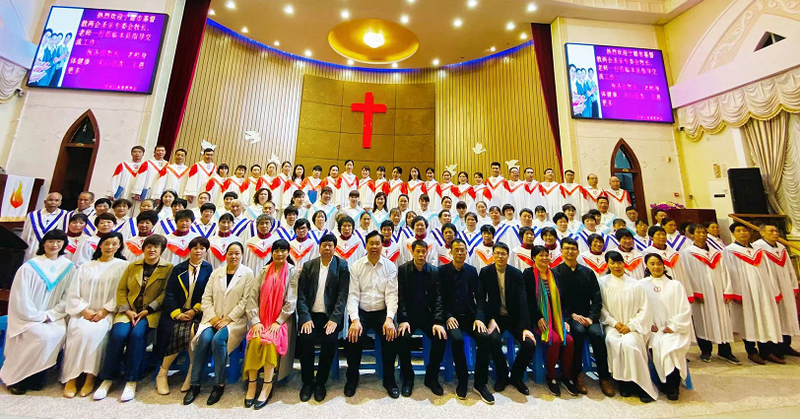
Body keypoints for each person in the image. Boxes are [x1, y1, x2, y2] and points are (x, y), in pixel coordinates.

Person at [93, 234, 172, 402]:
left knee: (137, 336)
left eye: (155, 247)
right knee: (119, 335)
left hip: (150, 313)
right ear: (143, 248)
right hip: (127, 311)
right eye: (148, 246)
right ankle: (107, 378)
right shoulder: (132, 266)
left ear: (161, 250)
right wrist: (127, 310)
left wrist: (148, 310)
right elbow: (121, 290)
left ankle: (131, 379)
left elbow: (165, 293)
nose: (151, 250)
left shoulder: (168, 268)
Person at [0, 229, 75, 394]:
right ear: (43, 243)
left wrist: (51, 314)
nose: (54, 245)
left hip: (53, 316)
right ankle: (16, 379)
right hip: (27, 316)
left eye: (58, 242)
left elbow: (68, 295)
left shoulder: (68, 267)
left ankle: (37, 377)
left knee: (57, 333)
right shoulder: (29, 266)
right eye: (50, 241)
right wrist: (36, 316)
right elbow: (20, 296)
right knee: (37, 335)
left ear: (63, 244)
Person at [184, 242, 255, 406]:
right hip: (212, 319)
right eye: (231, 253)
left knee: (217, 340)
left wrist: (228, 319)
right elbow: (206, 298)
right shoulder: (217, 273)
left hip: (234, 321)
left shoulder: (247, 274)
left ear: (242, 255)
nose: (234, 256)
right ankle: (194, 384)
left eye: (237, 253)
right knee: (204, 339)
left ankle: (219, 383)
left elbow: (246, 301)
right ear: (226, 255)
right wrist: (213, 318)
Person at [61, 232, 128, 398]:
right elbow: (73, 293)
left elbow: (121, 293)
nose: (110, 247)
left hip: (107, 313)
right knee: (78, 332)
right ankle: (72, 377)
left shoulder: (123, 266)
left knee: (95, 333)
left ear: (119, 246)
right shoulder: (86, 266)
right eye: (106, 243)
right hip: (82, 312)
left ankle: (90, 377)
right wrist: (84, 310)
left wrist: (104, 310)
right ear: (100, 245)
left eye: (114, 244)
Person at [554, 238, 614, 396]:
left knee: (598, 334)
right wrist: (571, 315)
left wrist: (591, 317)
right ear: (561, 251)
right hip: (570, 316)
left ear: (578, 251)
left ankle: (604, 377)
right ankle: (577, 375)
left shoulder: (587, 272)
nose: (570, 251)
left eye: (573, 248)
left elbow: (596, 297)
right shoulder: (556, 273)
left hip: (588, 315)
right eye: (566, 248)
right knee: (578, 333)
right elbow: (557, 299)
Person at [243, 240, 298, 409]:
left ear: (288, 253)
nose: (279, 254)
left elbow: (291, 301)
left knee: (269, 343)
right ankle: (252, 384)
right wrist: (256, 321)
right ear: (271, 252)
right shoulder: (264, 271)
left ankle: (267, 384)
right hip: (261, 319)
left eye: (283, 251)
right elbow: (252, 298)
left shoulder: (292, 272)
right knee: (254, 341)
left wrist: (278, 322)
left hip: (281, 320)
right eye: (276, 250)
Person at [344, 231, 400, 398]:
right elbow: (352, 295)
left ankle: (389, 381)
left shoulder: (390, 267)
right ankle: (352, 379)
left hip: (382, 312)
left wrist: (390, 318)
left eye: (378, 243)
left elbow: (391, 295)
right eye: (371, 243)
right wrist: (355, 319)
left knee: (391, 338)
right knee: (353, 338)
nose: (375, 246)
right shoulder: (356, 266)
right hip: (361, 312)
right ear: (366, 245)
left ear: (382, 245)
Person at [154, 237, 213, 395]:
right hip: (175, 312)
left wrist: (194, 310)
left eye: (202, 248)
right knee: (175, 332)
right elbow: (170, 293)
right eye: (195, 247)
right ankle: (162, 373)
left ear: (206, 251)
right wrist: (177, 313)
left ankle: (191, 374)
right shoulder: (178, 268)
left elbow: (208, 294)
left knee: (194, 335)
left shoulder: (209, 269)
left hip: (197, 313)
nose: (198, 250)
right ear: (190, 249)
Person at [476, 242, 535, 396]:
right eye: (497, 253)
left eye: (503, 253)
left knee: (529, 344)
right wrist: (489, 319)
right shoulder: (485, 272)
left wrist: (526, 327)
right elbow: (482, 300)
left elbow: (523, 301)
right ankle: (502, 375)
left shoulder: (516, 274)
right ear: (493, 255)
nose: (500, 256)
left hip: (515, 318)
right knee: (492, 340)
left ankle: (516, 376)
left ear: (508, 256)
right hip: (496, 318)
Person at [297, 233, 350, 402]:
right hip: (311, 316)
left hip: (330, 317)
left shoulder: (342, 266)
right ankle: (307, 382)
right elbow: (301, 295)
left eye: (330, 245)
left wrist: (334, 319)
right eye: (324, 245)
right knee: (305, 341)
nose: (327, 248)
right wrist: (305, 318)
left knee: (330, 342)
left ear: (335, 248)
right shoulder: (309, 265)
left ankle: (320, 382)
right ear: (319, 247)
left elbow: (342, 296)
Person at [598, 251, 656, 402]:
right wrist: (614, 323)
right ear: (608, 264)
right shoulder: (602, 283)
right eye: (613, 263)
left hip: (633, 327)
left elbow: (645, 309)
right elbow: (601, 307)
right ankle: (624, 383)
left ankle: (641, 385)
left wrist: (631, 326)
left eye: (619, 262)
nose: (617, 266)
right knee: (614, 342)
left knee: (631, 345)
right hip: (613, 326)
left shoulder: (635, 284)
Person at [724, 223, 783, 364]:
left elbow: (768, 270)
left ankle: (766, 351)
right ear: (733, 234)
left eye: (744, 230)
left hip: (763, 290)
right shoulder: (730, 250)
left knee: (764, 318)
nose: (743, 233)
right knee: (748, 320)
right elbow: (729, 272)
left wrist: (773, 289)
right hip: (745, 290)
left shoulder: (758, 250)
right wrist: (735, 292)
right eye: (738, 231)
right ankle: (751, 351)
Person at [395, 240, 447, 397]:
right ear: (412, 252)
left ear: (427, 252)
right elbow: (401, 297)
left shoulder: (433, 271)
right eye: (417, 251)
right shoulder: (403, 270)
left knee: (440, 337)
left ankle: (431, 377)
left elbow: (439, 297)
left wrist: (438, 321)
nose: (420, 254)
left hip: (428, 315)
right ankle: (408, 378)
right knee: (403, 338)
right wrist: (403, 319)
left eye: (423, 252)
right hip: (409, 316)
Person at [524, 245, 577, 396]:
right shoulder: (528, 274)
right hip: (538, 319)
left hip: (557, 318)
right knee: (553, 340)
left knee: (570, 341)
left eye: (546, 255)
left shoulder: (555, 275)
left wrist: (565, 319)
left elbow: (564, 300)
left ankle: (566, 377)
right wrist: (538, 317)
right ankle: (551, 376)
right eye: (540, 255)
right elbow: (528, 300)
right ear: (534, 258)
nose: (544, 258)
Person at [681, 225, 739, 364]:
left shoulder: (716, 253)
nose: (701, 235)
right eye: (698, 232)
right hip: (702, 293)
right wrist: (695, 291)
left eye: (703, 232)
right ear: (692, 235)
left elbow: (725, 272)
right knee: (703, 321)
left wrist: (727, 290)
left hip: (719, 292)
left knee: (723, 321)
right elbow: (687, 273)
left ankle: (725, 351)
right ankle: (705, 351)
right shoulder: (688, 253)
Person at [640, 253, 692, 401]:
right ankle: (667, 382)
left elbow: (685, 309)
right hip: (653, 330)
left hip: (675, 329)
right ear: (647, 267)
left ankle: (672, 384)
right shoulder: (642, 285)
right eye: (652, 264)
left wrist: (673, 326)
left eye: (659, 263)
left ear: (664, 265)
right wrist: (649, 324)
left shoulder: (675, 285)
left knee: (669, 345)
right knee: (658, 343)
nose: (656, 266)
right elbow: (640, 308)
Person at [753, 223, 800, 357]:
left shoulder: (781, 247)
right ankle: (772, 349)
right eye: (771, 231)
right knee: (773, 317)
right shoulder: (757, 248)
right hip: (769, 288)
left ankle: (786, 345)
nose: (775, 233)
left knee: (787, 315)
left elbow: (789, 267)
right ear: (762, 233)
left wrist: (793, 284)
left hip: (785, 286)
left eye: (776, 230)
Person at [21, 192, 69, 260]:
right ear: (45, 202)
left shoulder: (66, 215)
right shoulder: (33, 215)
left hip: (53, 249)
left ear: (60, 203)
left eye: (56, 200)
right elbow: (25, 235)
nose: (53, 202)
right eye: (50, 200)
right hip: (34, 248)